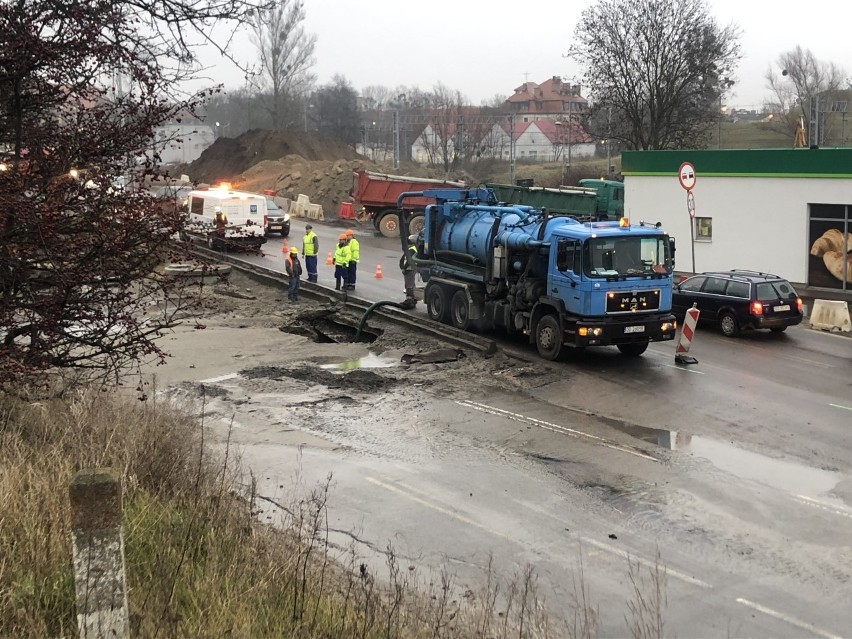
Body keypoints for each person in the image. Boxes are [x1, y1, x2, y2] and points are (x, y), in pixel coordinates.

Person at [399, 234, 418, 309]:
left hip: (409, 269)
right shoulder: (411, 248)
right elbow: (404, 258)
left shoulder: (411, 249)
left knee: (409, 285)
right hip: (410, 269)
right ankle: (412, 299)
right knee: (411, 284)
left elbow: (409, 260)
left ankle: (410, 300)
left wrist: (404, 268)